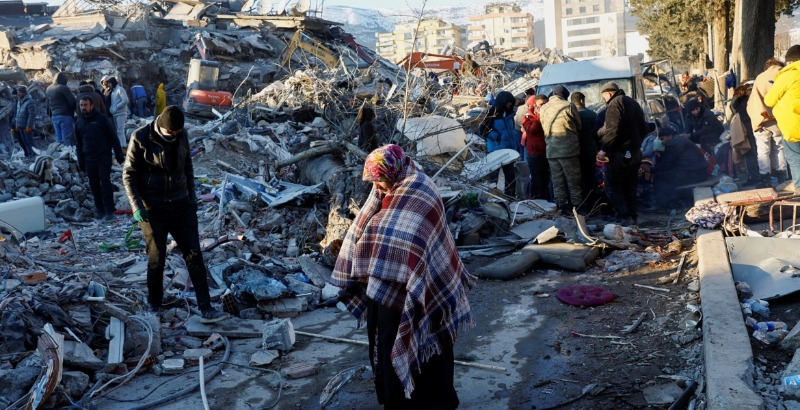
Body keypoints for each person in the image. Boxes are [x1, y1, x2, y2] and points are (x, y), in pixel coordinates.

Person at [330, 144, 475, 408]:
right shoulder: (384, 187)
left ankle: (436, 401)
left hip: (420, 287)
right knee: (387, 345)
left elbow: (415, 239)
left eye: (380, 181)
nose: (377, 187)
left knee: (427, 340)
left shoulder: (421, 190)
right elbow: (367, 226)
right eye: (374, 182)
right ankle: (397, 401)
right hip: (384, 287)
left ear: (394, 171)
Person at [122, 106, 229, 323]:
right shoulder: (141, 137)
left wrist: (192, 197)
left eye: (178, 132)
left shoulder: (182, 135)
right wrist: (136, 206)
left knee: (194, 255)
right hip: (153, 208)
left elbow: (187, 167)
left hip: (181, 205)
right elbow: (129, 174)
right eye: (171, 132)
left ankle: (206, 307)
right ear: (161, 127)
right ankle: (155, 305)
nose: (175, 135)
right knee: (157, 258)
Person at [597, 82, 648, 225]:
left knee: (613, 185)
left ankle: (624, 217)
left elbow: (613, 130)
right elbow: (644, 127)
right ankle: (633, 216)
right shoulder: (633, 102)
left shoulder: (614, 104)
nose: (604, 100)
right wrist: (636, 144)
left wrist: (604, 149)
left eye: (604, 96)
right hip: (634, 153)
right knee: (630, 186)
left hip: (619, 153)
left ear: (609, 94)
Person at [76, 96, 125, 220]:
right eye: (81, 105)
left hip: (103, 156)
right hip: (89, 158)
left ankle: (109, 210)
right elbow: (78, 144)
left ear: (92, 106)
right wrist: (80, 160)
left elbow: (113, 137)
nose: (83, 108)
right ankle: (100, 209)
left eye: (85, 105)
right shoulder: (79, 123)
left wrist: (119, 154)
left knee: (105, 181)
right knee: (93, 184)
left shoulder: (101, 119)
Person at [539, 85, 582, 213]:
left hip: (551, 151)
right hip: (569, 150)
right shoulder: (569, 105)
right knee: (573, 181)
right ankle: (577, 208)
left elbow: (543, 125)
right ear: (564, 95)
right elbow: (579, 125)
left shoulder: (544, 108)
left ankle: (561, 207)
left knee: (557, 182)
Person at [765, 45, 800, 194]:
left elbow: (769, 100)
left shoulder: (788, 75)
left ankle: (799, 187)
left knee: (794, 157)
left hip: (793, 124)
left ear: (790, 61)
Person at [748, 57, 788, 187]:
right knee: (779, 147)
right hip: (779, 118)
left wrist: (758, 117)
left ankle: (765, 177)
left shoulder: (760, 77)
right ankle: (782, 176)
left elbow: (753, 100)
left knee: (763, 149)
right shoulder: (785, 74)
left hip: (762, 118)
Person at [479, 90, 522, 196]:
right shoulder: (492, 113)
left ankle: (510, 197)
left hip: (508, 150)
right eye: (508, 103)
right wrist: (496, 136)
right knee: (494, 177)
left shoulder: (510, 114)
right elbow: (483, 130)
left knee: (510, 176)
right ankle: (492, 197)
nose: (510, 105)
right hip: (496, 149)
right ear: (503, 102)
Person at [652, 127, 708, 207]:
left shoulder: (673, 145)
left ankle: (667, 203)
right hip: (699, 171)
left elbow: (666, 165)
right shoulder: (679, 140)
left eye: (662, 139)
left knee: (659, 176)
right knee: (666, 174)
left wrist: (651, 169)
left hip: (693, 174)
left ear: (670, 136)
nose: (662, 142)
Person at [729, 81, 760, 186]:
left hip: (743, 125)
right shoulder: (752, 94)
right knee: (762, 150)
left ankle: (754, 177)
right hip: (754, 123)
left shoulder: (738, 97)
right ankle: (765, 175)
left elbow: (732, 107)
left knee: (749, 152)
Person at [570, 91, 599, 205]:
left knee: (577, 180)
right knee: (590, 178)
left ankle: (579, 204)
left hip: (574, 151)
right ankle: (591, 204)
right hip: (589, 150)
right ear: (582, 101)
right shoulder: (592, 114)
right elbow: (597, 134)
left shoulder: (570, 114)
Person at [521, 94, 549, 199]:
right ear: (535, 105)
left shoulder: (549, 115)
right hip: (535, 153)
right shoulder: (527, 117)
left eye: (545, 104)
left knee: (546, 180)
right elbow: (532, 130)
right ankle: (536, 199)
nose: (544, 107)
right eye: (541, 104)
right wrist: (538, 116)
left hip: (547, 151)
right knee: (537, 179)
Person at [46, 72, 77, 147]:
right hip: (65, 115)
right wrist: (75, 112)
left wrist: (50, 115)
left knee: (58, 138)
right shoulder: (63, 88)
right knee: (66, 138)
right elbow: (72, 101)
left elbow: (47, 104)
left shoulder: (48, 88)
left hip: (54, 116)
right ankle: (67, 152)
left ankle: (59, 152)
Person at [12, 86, 36, 158]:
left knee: (29, 142)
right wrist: (17, 125)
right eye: (17, 92)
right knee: (24, 142)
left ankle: (33, 155)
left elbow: (32, 115)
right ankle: (28, 155)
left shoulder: (30, 101)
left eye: (20, 92)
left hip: (26, 126)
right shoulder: (19, 101)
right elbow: (17, 114)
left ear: (24, 93)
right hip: (20, 126)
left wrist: (29, 126)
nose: (18, 94)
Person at [108, 77, 129, 148]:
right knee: (118, 131)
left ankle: (123, 145)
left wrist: (117, 107)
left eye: (109, 83)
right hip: (115, 114)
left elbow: (125, 100)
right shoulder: (113, 92)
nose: (109, 85)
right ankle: (120, 145)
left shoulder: (120, 89)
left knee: (120, 130)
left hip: (121, 113)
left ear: (113, 83)